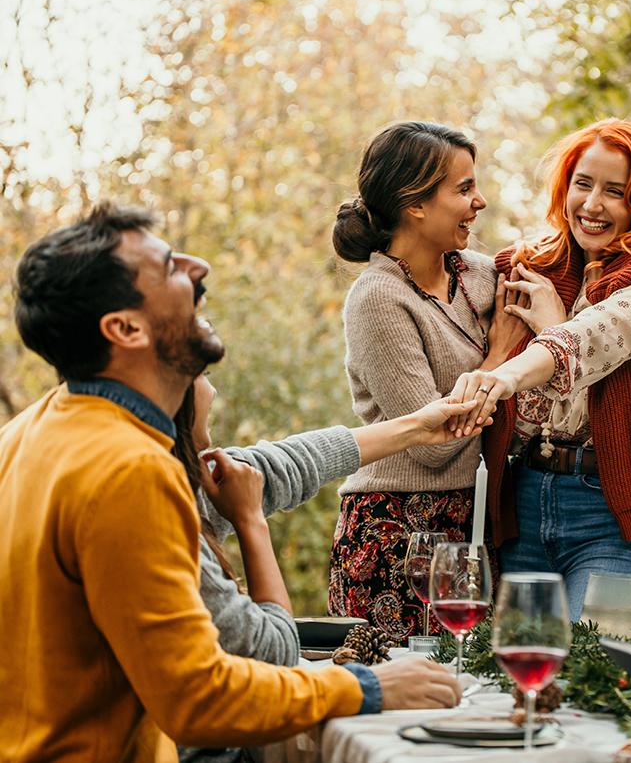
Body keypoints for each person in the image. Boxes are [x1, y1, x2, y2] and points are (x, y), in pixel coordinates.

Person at [0, 203, 461, 763]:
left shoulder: (35, 431)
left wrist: (414, 427)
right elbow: (197, 697)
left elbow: (266, 470)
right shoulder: (128, 471)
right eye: (169, 266)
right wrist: (368, 687)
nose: (198, 267)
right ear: (125, 328)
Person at [449, 118, 631, 620]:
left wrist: (516, 365)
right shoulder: (532, 265)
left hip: (612, 511)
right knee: (519, 663)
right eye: (583, 184)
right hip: (521, 504)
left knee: (599, 661)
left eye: (615, 192)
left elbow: (595, 334)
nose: (592, 205)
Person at [174, 376, 485, 763]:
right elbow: (273, 659)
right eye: (202, 373)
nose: (213, 389)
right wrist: (251, 521)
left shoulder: (174, 477)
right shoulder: (161, 509)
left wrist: (414, 428)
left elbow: (289, 464)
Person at [328, 121, 527, 640]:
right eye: (464, 189)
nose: (479, 201)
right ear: (415, 203)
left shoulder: (478, 275)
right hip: (394, 530)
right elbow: (431, 445)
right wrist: (498, 355)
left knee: (467, 679)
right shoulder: (378, 298)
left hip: (473, 522)